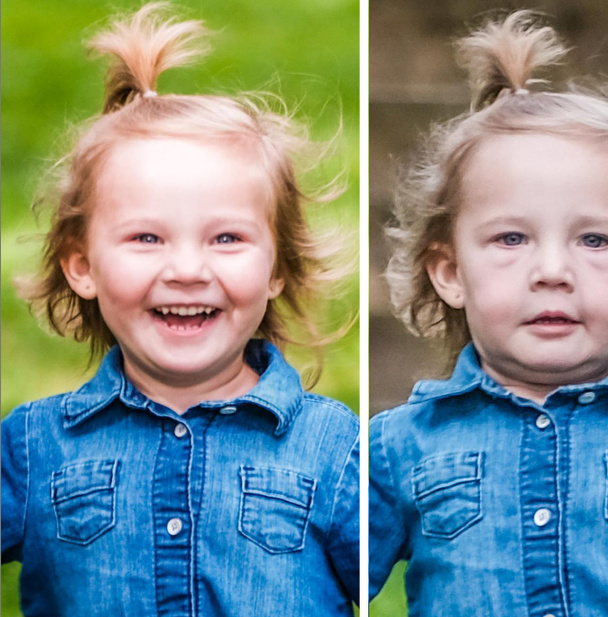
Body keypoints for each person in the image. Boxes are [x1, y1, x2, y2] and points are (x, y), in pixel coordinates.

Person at [1, 4, 358, 616]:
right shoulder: (34, 446)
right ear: (81, 266)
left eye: (226, 239)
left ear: (277, 269)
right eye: (147, 238)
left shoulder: (334, 447)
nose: (189, 269)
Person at [369, 11, 608, 617]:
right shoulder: (399, 448)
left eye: (594, 241)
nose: (553, 270)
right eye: (511, 239)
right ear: (451, 273)